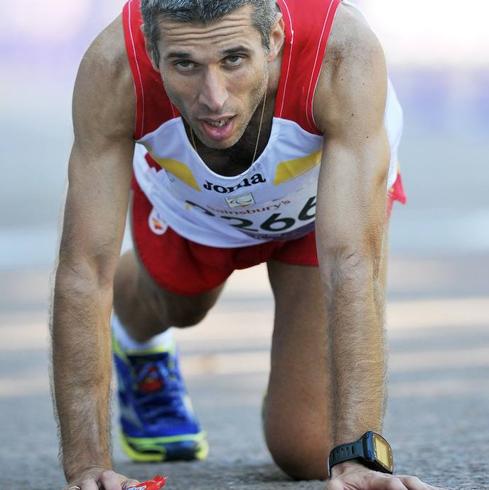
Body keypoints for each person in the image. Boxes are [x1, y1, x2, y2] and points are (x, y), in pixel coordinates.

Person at [50, 0, 440, 489]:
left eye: (233, 59)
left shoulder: (341, 51)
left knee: (307, 451)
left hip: (319, 212)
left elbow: (350, 259)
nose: (214, 98)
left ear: (274, 38)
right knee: (179, 304)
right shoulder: (113, 65)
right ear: (152, 49)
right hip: (194, 203)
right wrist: (87, 465)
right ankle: (138, 338)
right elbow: (84, 269)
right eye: (185, 64)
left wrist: (360, 457)